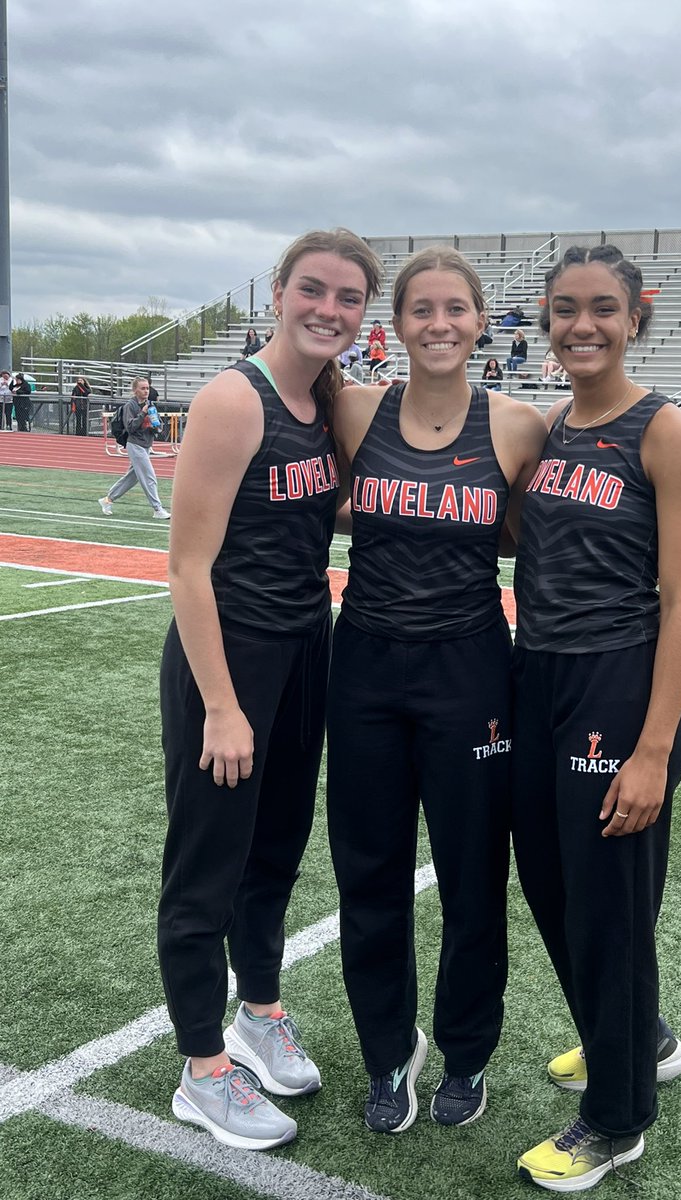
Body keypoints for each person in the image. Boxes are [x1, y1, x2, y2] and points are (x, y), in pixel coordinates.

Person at [157, 228, 384, 1152]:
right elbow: (187, 566)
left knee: (277, 849)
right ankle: (203, 1069)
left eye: (348, 297)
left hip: (304, 648)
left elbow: (313, 507)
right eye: (313, 290)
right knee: (207, 860)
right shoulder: (231, 398)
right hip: (232, 658)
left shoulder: (323, 400)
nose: (329, 309)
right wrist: (220, 703)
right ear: (279, 292)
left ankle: (259, 1010)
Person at [326, 246, 546, 1136]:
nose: (440, 324)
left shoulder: (520, 426)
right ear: (398, 323)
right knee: (367, 871)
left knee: (470, 876)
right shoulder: (354, 409)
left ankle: (466, 1052)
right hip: (366, 666)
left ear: (481, 320)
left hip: (469, 671)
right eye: (422, 309)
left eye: (456, 309)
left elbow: (533, 538)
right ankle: (389, 1053)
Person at [511, 244, 681, 1191]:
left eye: (601, 309)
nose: (581, 326)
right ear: (544, 321)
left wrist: (653, 748)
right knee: (554, 890)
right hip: (537, 679)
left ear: (636, 316)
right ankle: (637, 1038)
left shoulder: (667, 433)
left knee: (607, 909)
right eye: (563, 309)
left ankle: (618, 1116)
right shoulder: (551, 425)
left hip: (618, 688)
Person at [98, 378, 171, 518]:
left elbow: (159, 426)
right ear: (135, 390)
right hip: (135, 444)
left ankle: (107, 500)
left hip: (146, 445)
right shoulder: (130, 406)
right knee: (149, 477)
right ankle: (157, 509)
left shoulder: (150, 405)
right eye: (143, 388)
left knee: (132, 478)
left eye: (147, 388)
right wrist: (143, 414)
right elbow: (130, 427)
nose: (146, 391)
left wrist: (155, 426)